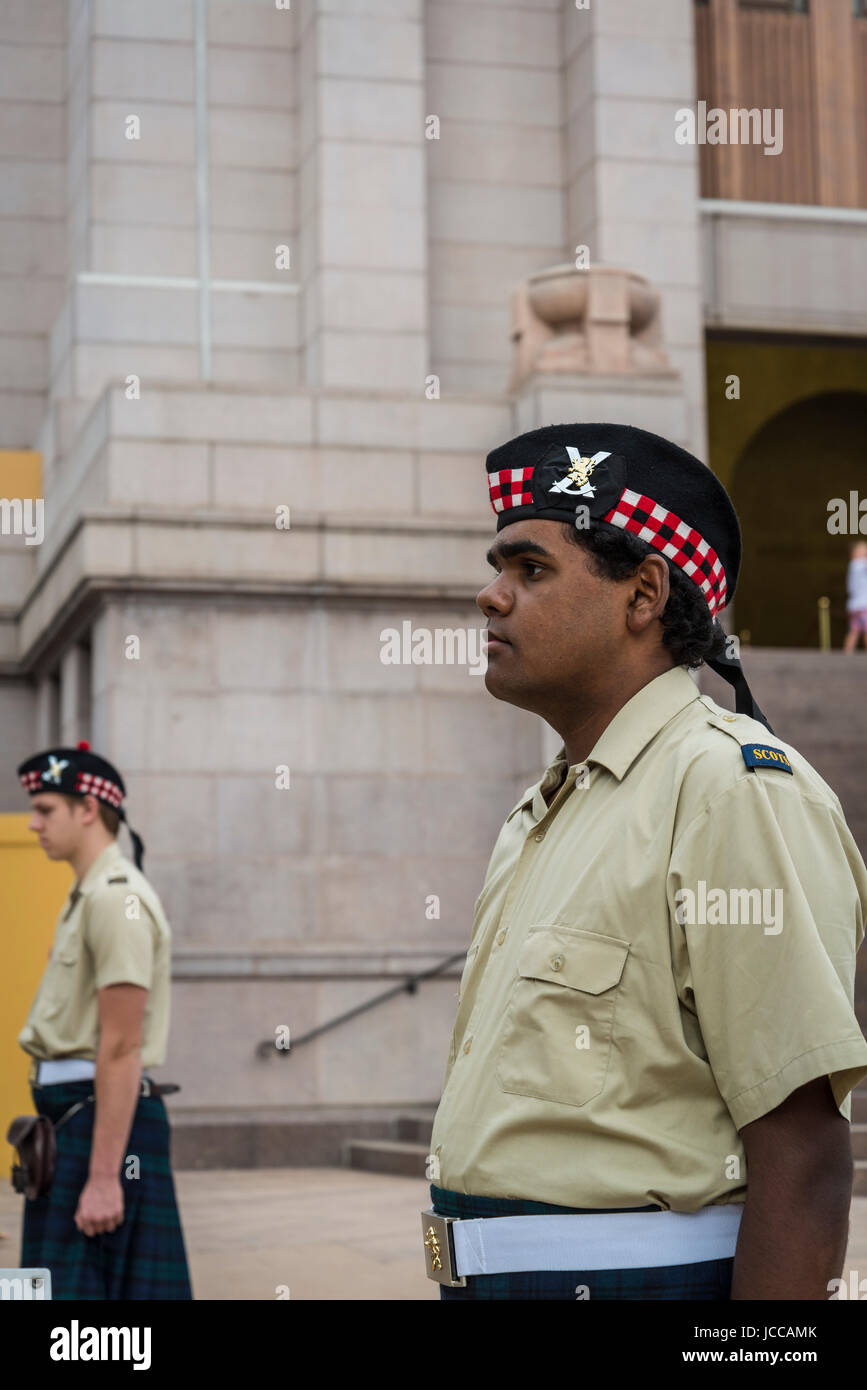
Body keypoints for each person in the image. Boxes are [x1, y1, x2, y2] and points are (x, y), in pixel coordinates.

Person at [422, 423, 867, 1301]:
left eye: (530, 569)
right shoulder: (544, 808)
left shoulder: (728, 789)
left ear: (642, 595)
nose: (490, 596)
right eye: (497, 567)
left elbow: (803, 1151)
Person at [14, 741, 192, 1299]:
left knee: (97, 1313)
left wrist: (101, 1176)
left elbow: (120, 1047)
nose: (33, 824)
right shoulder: (88, 895)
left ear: (87, 809)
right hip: (75, 1123)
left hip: (101, 1127)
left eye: (45, 810)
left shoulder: (118, 900)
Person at [844, 538, 867, 652]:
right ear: (854, 553)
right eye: (863, 551)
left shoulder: (853, 566)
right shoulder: (858, 564)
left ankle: (847, 653)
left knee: (854, 630)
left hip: (854, 605)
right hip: (864, 605)